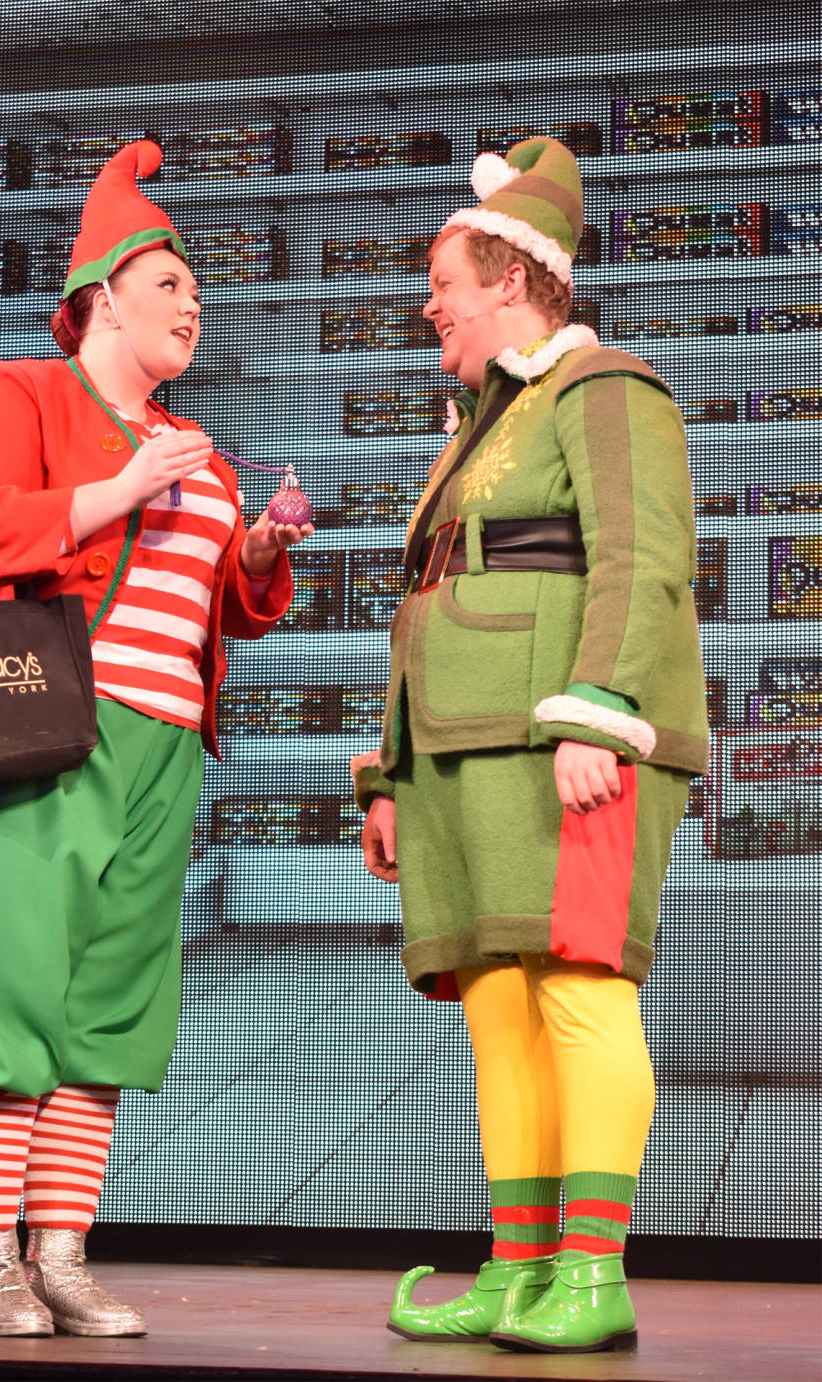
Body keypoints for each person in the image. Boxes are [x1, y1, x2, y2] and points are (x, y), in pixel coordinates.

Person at [0, 140, 312, 1338]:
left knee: (106, 1004)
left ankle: (61, 1255)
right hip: (27, 722)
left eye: (196, 290)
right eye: (170, 284)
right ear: (104, 297)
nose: (192, 304)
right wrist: (126, 484)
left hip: (160, 744)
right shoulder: (22, 392)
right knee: (2, 982)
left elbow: (212, 603)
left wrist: (256, 550)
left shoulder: (198, 445)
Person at [353, 138, 707, 1353]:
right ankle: (517, 1271)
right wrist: (389, 773)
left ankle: (591, 1273)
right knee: (499, 1005)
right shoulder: (479, 424)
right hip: (460, 750)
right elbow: (431, 593)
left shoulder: (604, 386)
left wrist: (597, 706)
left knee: (577, 990)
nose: (428, 305)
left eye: (441, 281)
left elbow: (643, 555)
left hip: (564, 741)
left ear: (510, 276)